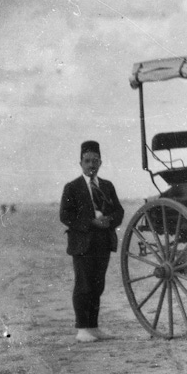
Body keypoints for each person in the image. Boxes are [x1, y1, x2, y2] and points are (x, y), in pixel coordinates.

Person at [59, 140, 125, 343]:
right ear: (80, 163)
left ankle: (93, 327)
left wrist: (109, 221)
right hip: (82, 243)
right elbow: (65, 215)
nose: (91, 165)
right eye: (87, 161)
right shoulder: (72, 187)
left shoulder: (106, 186)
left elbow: (119, 211)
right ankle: (82, 329)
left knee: (98, 285)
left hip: (103, 241)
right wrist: (91, 222)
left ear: (100, 163)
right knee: (83, 285)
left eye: (95, 161)